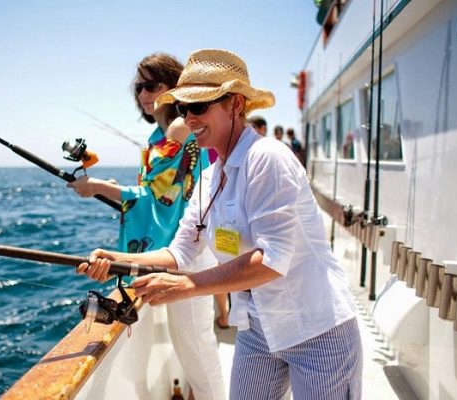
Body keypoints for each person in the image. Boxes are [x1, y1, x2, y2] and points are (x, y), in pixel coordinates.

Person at [77, 49, 363, 400]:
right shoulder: (210, 177)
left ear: (236, 104)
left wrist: (189, 285)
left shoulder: (267, 158)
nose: (189, 118)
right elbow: (180, 251)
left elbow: (273, 259)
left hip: (317, 327)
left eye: (199, 107)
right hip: (259, 326)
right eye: (183, 109)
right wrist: (118, 258)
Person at [67, 53, 225, 400]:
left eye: (152, 85)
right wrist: (101, 186)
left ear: (174, 87)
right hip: (183, 251)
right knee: (193, 347)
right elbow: (158, 193)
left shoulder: (179, 128)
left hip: (189, 256)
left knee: (198, 351)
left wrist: (97, 187)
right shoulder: (160, 134)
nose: (143, 94)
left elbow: (158, 196)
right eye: (139, 86)